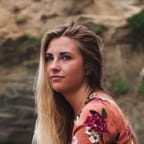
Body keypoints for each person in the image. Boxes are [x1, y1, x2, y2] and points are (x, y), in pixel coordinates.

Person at [32, 22, 137, 144]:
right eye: (49, 58)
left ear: (88, 66)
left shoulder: (94, 113)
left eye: (65, 57)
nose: (53, 67)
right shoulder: (84, 110)